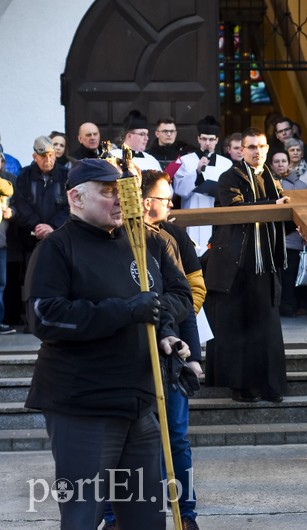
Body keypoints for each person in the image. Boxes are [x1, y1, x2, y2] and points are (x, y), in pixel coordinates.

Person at [24, 158, 192, 528]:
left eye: (122, 191)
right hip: (84, 403)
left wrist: (164, 328)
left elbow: (180, 292)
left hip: (140, 401)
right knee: (84, 514)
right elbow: (45, 316)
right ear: (76, 198)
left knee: (147, 517)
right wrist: (126, 311)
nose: (119, 200)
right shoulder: (57, 248)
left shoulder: (147, 240)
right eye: (107, 193)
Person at [101, 169, 205, 530]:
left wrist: (190, 352)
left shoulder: (168, 239)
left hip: (169, 357)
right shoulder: (106, 241)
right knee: (121, 441)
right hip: (123, 359)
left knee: (175, 437)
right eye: (164, 197)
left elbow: (186, 297)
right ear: (142, 200)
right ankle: (115, 515)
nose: (169, 203)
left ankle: (184, 513)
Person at [204, 127, 288, 403]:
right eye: (251, 147)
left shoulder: (272, 178)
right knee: (239, 326)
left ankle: (269, 384)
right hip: (236, 264)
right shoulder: (229, 177)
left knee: (266, 325)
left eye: (261, 147)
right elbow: (238, 211)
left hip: (266, 262)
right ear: (241, 150)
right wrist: (275, 204)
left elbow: (281, 218)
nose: (257, 152)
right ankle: (240, 386)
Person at [10, 136, 70, 301]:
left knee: (59, 280)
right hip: (31, 240)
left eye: (51, 155)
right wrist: (37, 226)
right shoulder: (24, 176)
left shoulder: (66, 175)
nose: (48, 159)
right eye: (43, 156)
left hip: (59, 238)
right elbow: (21, 204)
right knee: (33, 282)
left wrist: (52, 227)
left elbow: (71, 205)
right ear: (34, 156)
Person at [172, 116, 233, 255]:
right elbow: (179, 189)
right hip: (192, 214)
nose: (207, 143)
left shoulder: (226, 163)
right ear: (198, 139)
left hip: (216, 216)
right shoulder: (186, 161)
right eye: (204, 139)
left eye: (211, 139)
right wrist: (197, 172)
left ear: (217, 140)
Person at [270, 148, 307, 318]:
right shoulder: (266, 183)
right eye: (276, 161)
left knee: (292, 276)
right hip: (272, 237)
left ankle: (292, 307)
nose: (280, 164)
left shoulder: (300, 184)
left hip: (293, 238)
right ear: (271, 165)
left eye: (283, 161)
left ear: (289, 163)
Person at [0, 174, 14, 334]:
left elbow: (8, 190)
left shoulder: (4, 184)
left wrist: (11, 211)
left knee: (1, 286)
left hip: (1, 244)